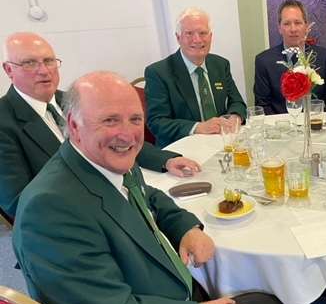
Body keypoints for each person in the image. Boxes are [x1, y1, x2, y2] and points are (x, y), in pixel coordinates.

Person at [12, 72, 298, 304]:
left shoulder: (100, 163)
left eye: (135, 119)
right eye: (110, 120)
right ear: (74, 126)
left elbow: (150, 197)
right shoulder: (50, 209)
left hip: (156, 298)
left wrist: (186, 227)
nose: (127, 134)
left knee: (232, 281)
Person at [0, 32, 199, 219]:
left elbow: (119, 139)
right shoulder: (4, 121)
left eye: (49, 61)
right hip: (77, 217)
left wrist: (166, 160)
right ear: (9, 70)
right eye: (30, 63)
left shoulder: (71, 100)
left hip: (121, 194)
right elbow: (18, 202)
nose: (44, 71)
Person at [145, 8, 247, 147]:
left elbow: (237, 102)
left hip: (221, 143)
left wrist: (235, 117)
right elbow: (157, 122)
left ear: (210, 36)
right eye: (189, 33)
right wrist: (198, 127)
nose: (197, 39)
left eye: (203, 33)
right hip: (181, 148)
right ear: (178, 38)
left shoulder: (221, 64)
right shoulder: (158, 72)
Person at [254, 0, 326, 114]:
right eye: (287, 24)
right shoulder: (264, 61)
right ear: (279, 28)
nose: (293, 29)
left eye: (298, 23)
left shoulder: (323, 56)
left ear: (306, 26)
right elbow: (262, 105)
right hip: (280, 123)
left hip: (316, 122)